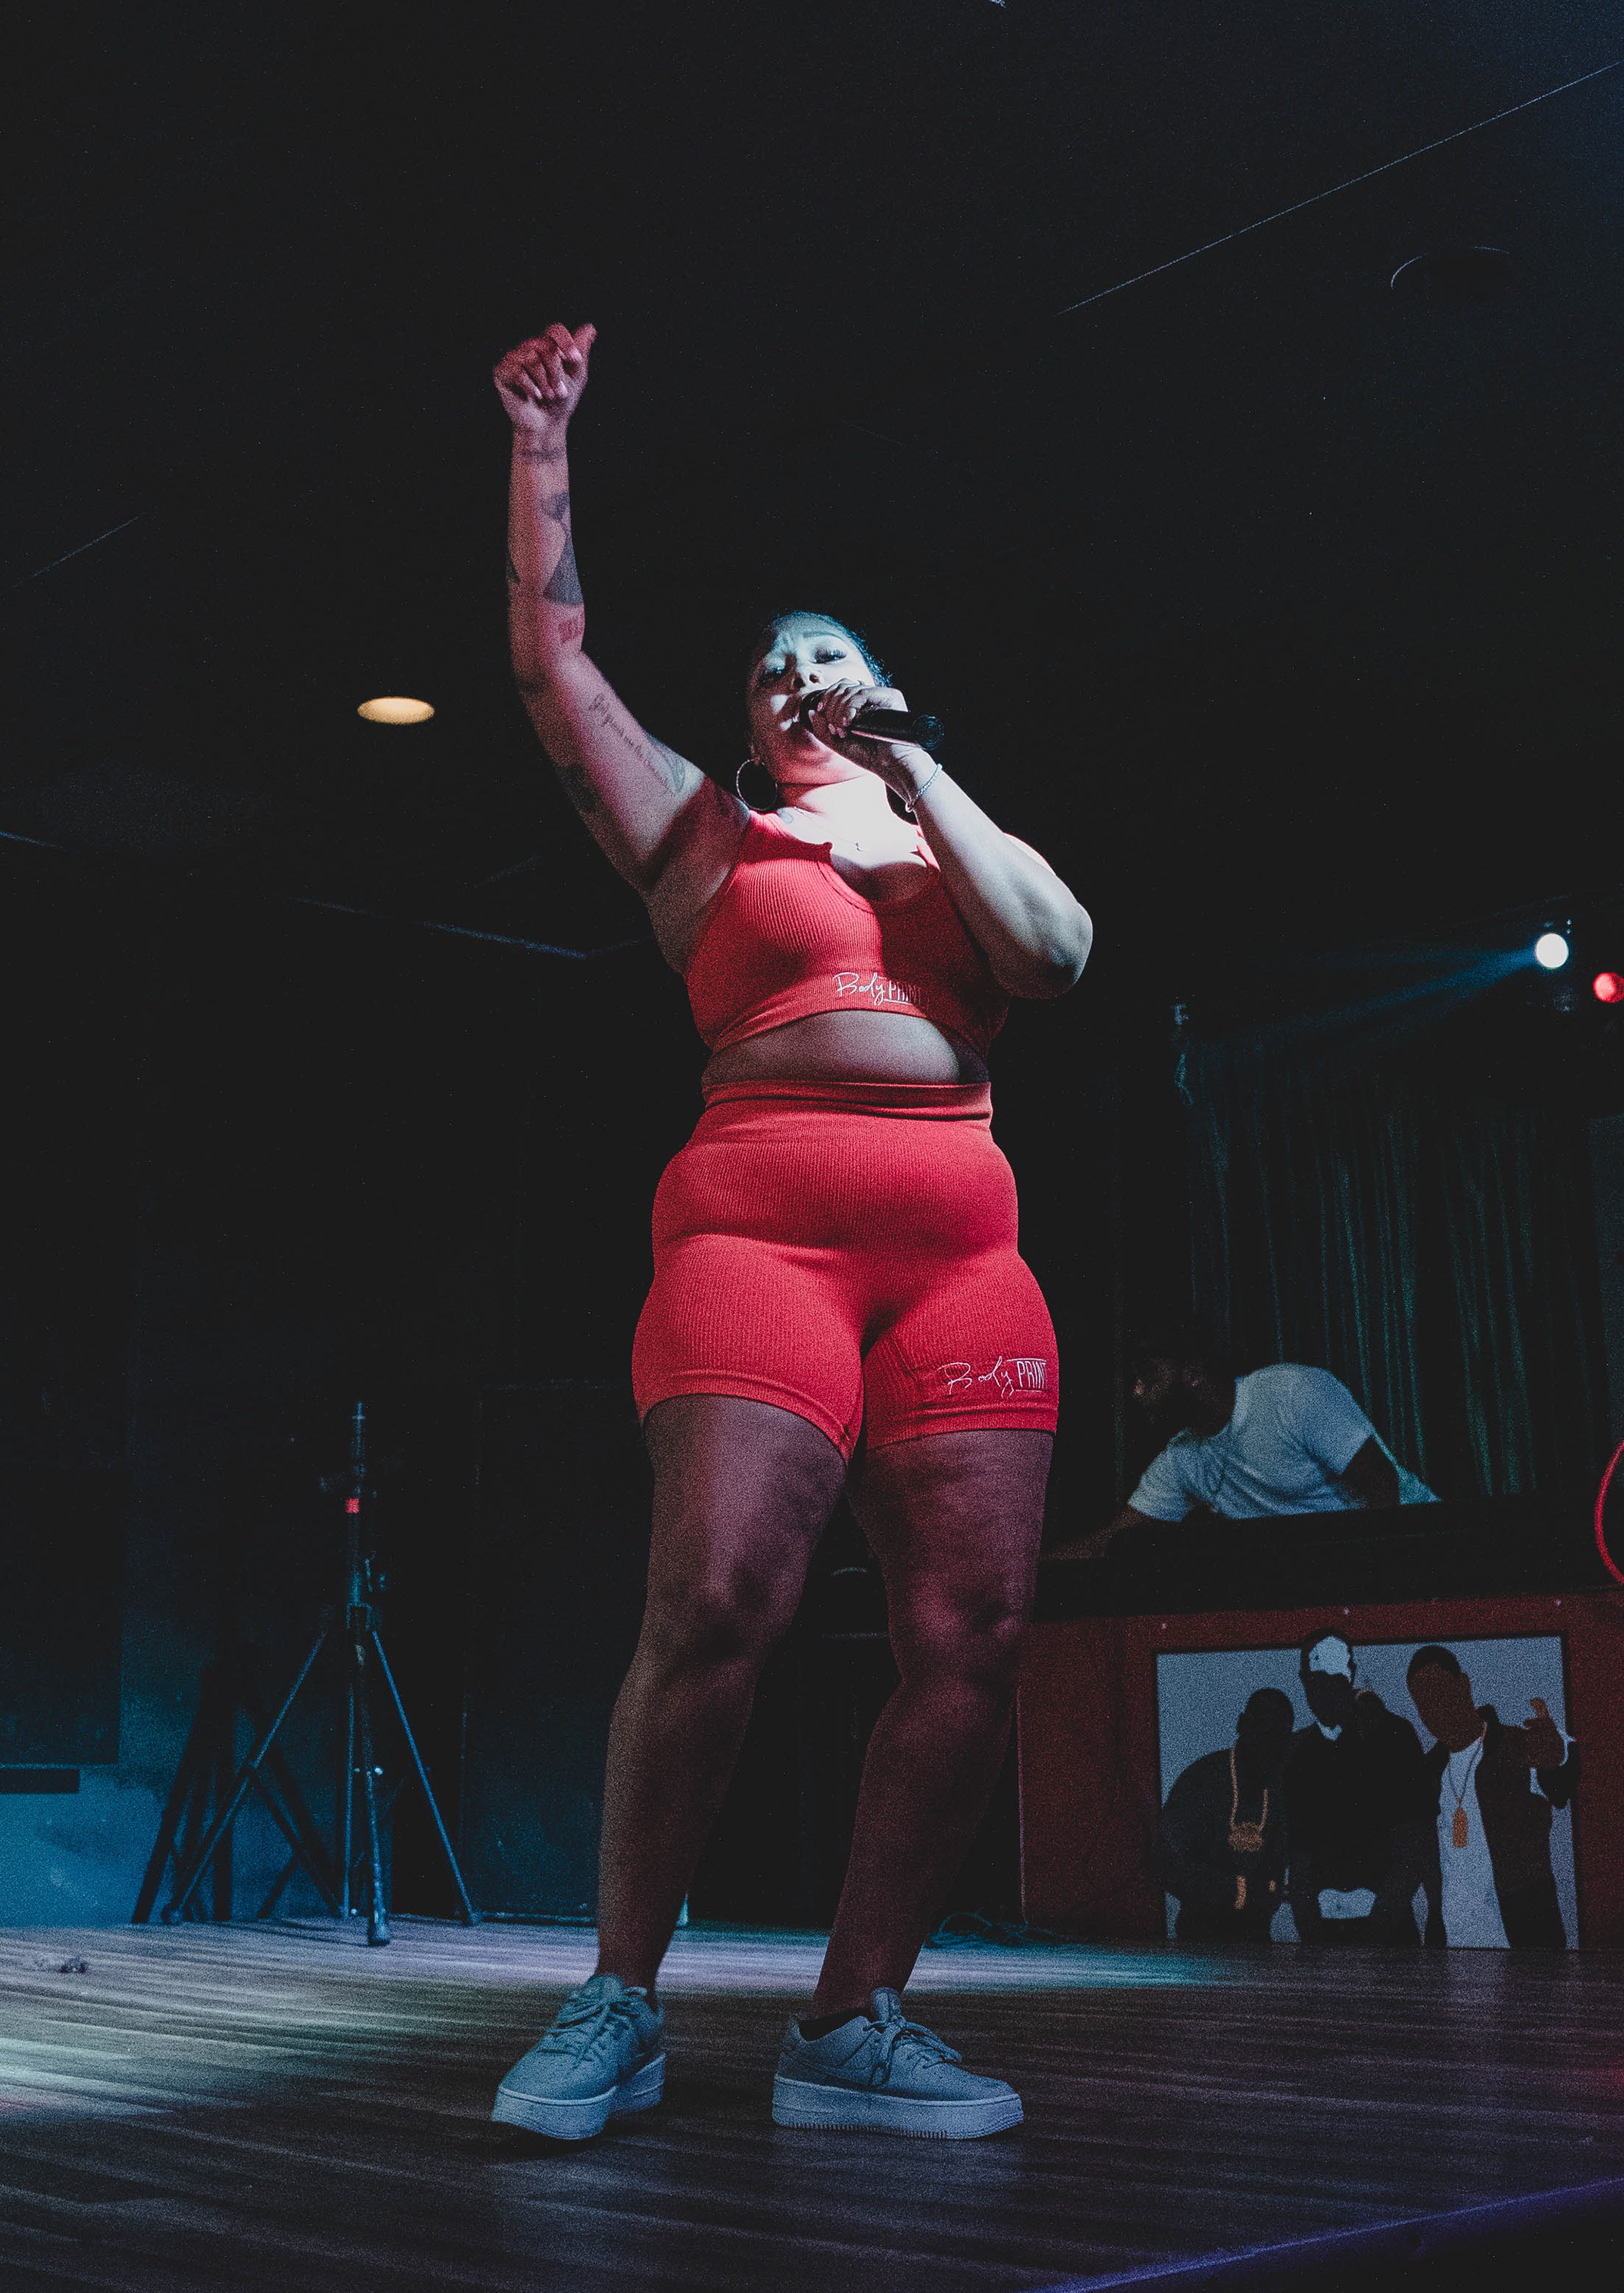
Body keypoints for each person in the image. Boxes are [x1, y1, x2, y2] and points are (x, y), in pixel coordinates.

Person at [480, 322, 1094, 2144]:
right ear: (746, 720)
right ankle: (617, 1999)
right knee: (717, 1604)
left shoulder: (945, 837)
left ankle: (854, 2018)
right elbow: (550, 662)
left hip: (962, 1260)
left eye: (825, 657)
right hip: (762, 1238)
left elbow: (1055, 954)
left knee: (973, 1632)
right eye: (768, 669)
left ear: (880, 689)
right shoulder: (704, 839)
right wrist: (543, 445)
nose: (794, 677)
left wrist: (917, 775)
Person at [1047, 1323, 1434, 1556]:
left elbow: (1382, 1487)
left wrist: (1370, 1576)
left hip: (1420, 1544)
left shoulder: (1290, 1394)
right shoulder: (1181, 1458)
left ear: (1193, 1374)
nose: (1137, 1393)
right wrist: (1027, 1571)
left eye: (1149, 1376)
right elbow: (1113, 1540)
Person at [1403, 1646, 1573, 1948]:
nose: (1434, 1707)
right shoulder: (1427, 1774)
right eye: (1422, 1700)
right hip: (1451, 1949)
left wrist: (1562, 1753)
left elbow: (1563, 1781)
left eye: (1440, 1691)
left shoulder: (1519, 1747)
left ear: (1464, 1685)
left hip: (1525, 1945)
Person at [1279, 1631, 1432, 1944]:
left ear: (1350, 1676)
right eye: (1318, 1681)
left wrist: (1379, 1928)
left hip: (1386, 1933)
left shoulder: (1392, 1737)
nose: (1326, 1692)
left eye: (1335, 1681)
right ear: (1304, 1680)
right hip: (1329, 1931)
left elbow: (1414, 1846)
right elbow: (1298, 1858)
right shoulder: (1300, 1754)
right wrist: (1312, 1934)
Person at [1154, 1684, 1296, 1943]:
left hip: (1257, 1944)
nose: (1268, 1740)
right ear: (1242, 1724)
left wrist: (1260, 1894)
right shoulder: (1202, 1779)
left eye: (1278, 1733)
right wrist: (1236, 1892)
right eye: (1262, 1726)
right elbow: (1167, 1863)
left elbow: (1279, 1872)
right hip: (1199, 1942)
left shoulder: (1281, 1790)